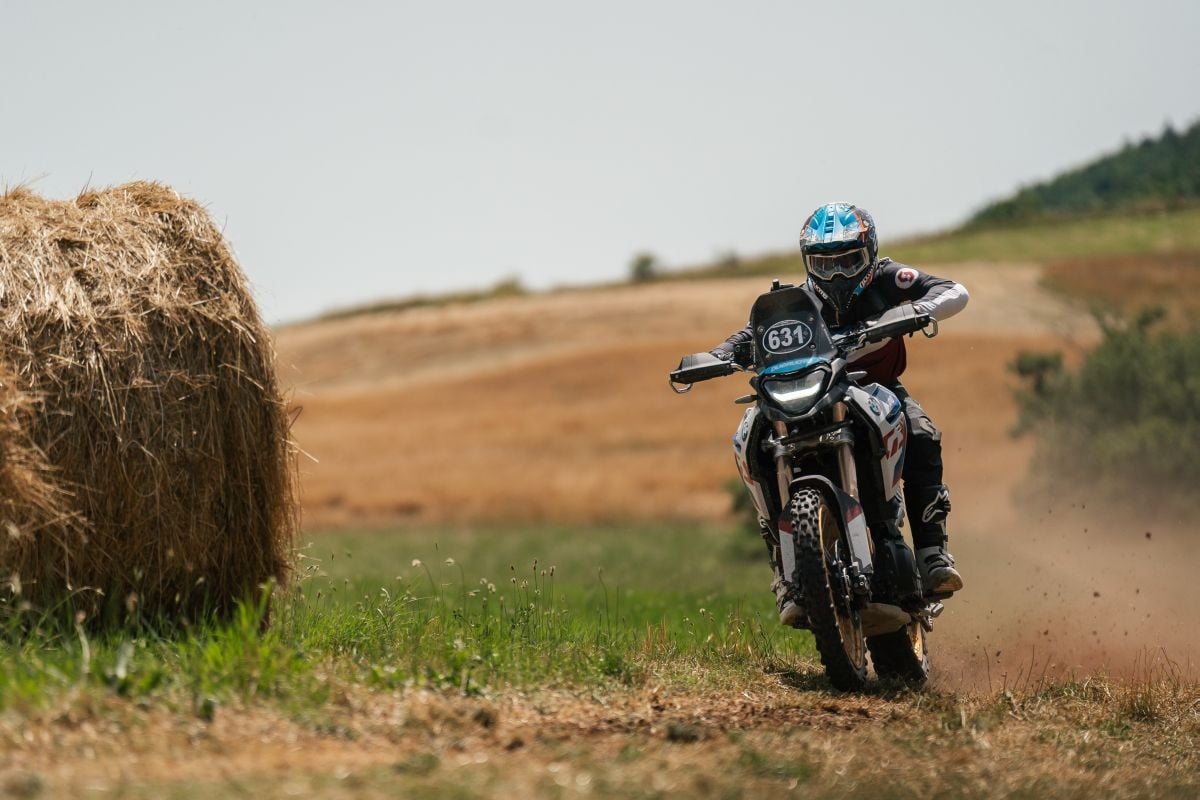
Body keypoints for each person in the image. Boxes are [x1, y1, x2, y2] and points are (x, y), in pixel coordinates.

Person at [710, 202, 966, 624]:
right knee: (750, 437)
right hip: (809, 394)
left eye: (849, 261)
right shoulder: (796, 302)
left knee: (920, 431)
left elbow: (954, 291)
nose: (839, 274)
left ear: (870, 253)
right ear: (808, 264)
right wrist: (721, 354)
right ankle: (783, 566)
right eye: (825, 265)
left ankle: (932, 552)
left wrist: (918, 309)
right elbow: (751, 335)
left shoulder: (889, 278)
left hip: (876, 388)